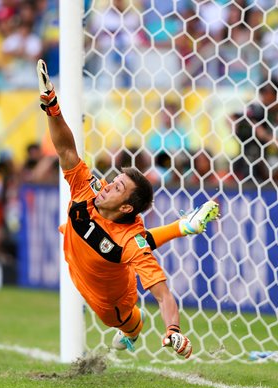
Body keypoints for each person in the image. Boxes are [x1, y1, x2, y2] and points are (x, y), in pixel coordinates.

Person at [36, 59, 219, 358]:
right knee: (131, 241)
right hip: (76, 254)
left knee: (126, 323)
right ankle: (183, 226)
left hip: (112, 304)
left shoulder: (131, 241)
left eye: (117, 187)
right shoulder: (87, 188)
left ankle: (133, 328)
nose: (107, 185)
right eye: (114, 180)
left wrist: (173, 330)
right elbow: (66, 149)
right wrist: (52, 107)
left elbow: (163, 294)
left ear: (124, 207)